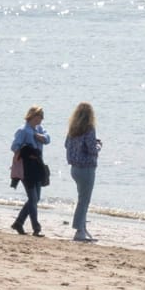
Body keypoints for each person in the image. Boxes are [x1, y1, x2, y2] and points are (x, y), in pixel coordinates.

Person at [63, 102, 102, 243]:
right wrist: (99, 145)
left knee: (82, 198)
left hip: (74, 168)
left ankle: (83, 227)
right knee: (84, 200)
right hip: (87, 168)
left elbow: (66, 145)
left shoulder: (72, 129)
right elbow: (92, 148)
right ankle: (79, 231)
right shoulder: (89, 128)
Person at [9, 105, 49, 236]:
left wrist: (41, 137)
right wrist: (27, 151)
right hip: (26, 168)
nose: (42, 118)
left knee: (36, 198)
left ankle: (19, 222)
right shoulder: (23, 130)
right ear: (33, 115)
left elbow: (48, 139)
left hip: (38, 166)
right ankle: (36, 227)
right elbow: (14, 146)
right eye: (40, 115)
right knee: (33, 198)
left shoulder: (39, 129)